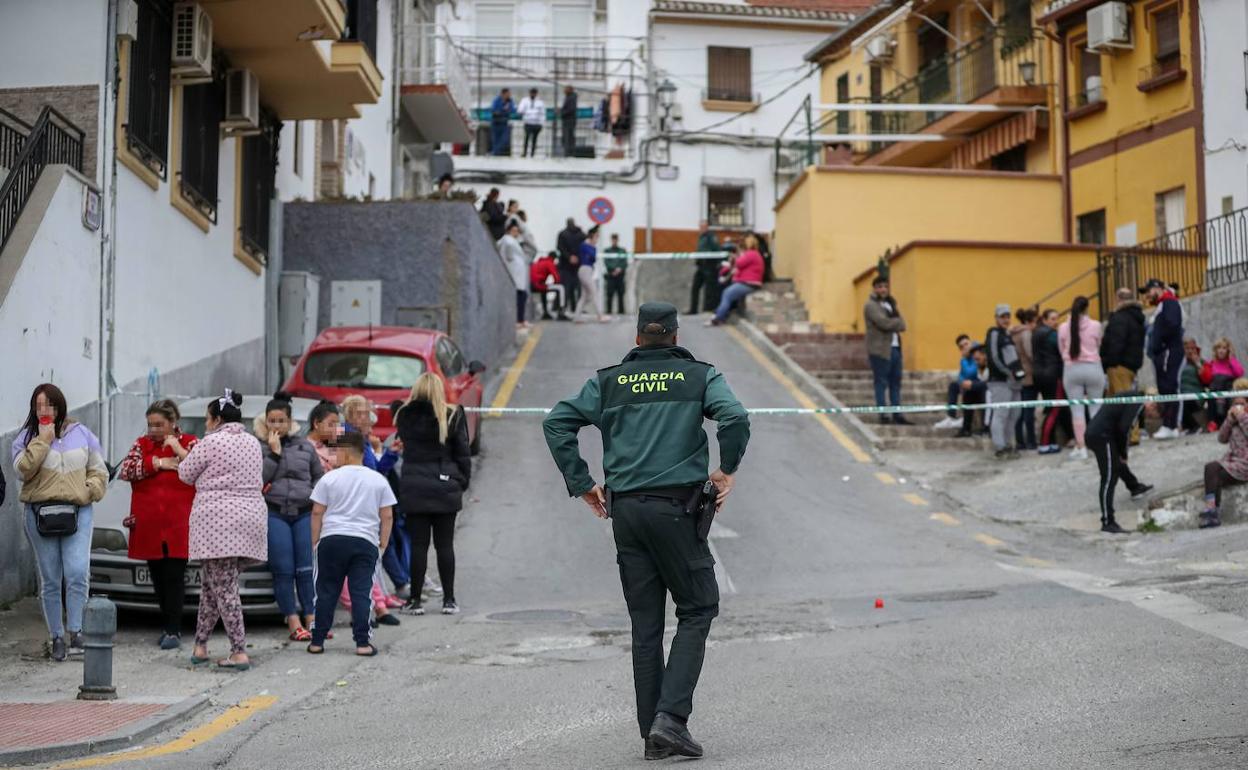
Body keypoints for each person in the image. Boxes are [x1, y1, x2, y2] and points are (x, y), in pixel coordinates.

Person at [543, 303, 750, 760]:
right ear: (675, 336)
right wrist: (727, 470)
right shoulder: (700, 376)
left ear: (637, 339)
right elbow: (734, 418)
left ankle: (652, 735)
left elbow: (557, 421)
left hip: (626, 514)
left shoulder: (609, 381)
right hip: (676, 509)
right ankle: (671, 720)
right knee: (698, 607)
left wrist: (582, 483)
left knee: (646, 625)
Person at [12, 384, 108, 662]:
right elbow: (22, 471)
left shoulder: (82, 433)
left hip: (77, 512)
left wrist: (89, 491)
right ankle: (56, 636)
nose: (44, 410)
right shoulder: (25, 437)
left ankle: (76, 631)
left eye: (50, 405)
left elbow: (99, 470)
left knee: (77, 571)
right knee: (51, 579)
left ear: (60, 406)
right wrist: (42, 439)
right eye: (39, 405)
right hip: (40, 515)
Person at [179, 390, 266, 671]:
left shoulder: (210, 442)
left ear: (216, 419)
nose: (206, 424)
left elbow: (185, 474)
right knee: (212, 586)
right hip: (250, 520)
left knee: (224, 588)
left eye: (207, 419)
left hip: (217, 524)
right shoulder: (253, 442)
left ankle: (239, 651)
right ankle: (200, 645)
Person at [307, 431, 395, 656]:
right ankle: (363, 643)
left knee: (325, 591)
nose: (333, 456)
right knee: (361, 592)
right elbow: (387, 516)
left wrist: (315, 540)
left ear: (346, 452)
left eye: (335, 451)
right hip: (365, 542)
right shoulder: (377, 480)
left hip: (332, 540)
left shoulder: (329, 478)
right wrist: (382, 544)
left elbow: (317, 512)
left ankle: (317, 641)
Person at [118, 399, 197, 649]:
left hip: (179, 523)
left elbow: (201, 469)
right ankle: (167, 625)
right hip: (150, 523)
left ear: (173, 423)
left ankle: (173, 630)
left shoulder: (190, 443)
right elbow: (126, 471)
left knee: (174, 575)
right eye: (150, 425)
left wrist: (177, 450)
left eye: (159, 425)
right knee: (158, 576)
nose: (153, 430)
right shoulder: (141, 445)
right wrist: (158, 463)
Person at [395, 373, 472, 616]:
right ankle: (449, 600)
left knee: (418, 545)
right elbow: (463, 454)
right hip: (445, 486)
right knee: (445, 545)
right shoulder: (452, 415)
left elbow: (396, 406)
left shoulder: (404, 416)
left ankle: (415, 600)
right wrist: (461, 481)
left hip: (414, 486)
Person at [255, 392, 325, 643]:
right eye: (271, 421)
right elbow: (258, 479)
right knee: (283, 569)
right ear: (265, 422)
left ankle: (312, 616)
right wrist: (274, 454)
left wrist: (316, 498)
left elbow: (318, 476)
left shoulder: (304, 445)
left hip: (304, 512)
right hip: (275, 513)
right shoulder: (258, 446)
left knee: (306, 568)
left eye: (281, 421)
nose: (276, 426)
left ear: (289, 421)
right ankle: (292, 619)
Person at [1085, 391, 1158, 533]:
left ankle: (1134, 486)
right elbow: (1124, 428)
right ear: (1152, 405)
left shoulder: (1133, 396)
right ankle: (1108, 521)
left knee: (1117, 463)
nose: (1149, 417)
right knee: (1109, 477)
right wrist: (1124, 452)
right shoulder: (1137, 402)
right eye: (1152, 414)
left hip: (1101, 433)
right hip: (1102, 435)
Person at [1058, 296, 1104, 460]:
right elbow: (1099, 345)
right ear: (1087, 308)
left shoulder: (1063, 327)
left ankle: (1081, 446)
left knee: (1076, 411)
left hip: (1072, 369)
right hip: (1093, 367)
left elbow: (1061, 348)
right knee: (1096, 409)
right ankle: (1098, 446)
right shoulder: (1096, 325)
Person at [1200, 379, 1248, 529]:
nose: (1238, 407)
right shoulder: (1233, 420)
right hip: (1234, 464)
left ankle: (1212, 511)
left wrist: (1242, 417)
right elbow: (1221, 438)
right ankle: (1211, 511)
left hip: (1246, 464)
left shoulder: (1244, 418)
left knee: (1213, 468)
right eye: (1235, 403)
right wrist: (1229, 420)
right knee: (1212, 472)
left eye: (1242, 403)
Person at [863, 276, 910, 426]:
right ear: (874, 289)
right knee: (881, 382)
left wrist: (894, 323)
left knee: (895, 382)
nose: (883, 289)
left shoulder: (891, 304)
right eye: (879, 287)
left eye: (885, 286)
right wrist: (895, 323)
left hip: (895, 348)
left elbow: (903, 325)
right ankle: (883, 413)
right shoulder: (871, 306)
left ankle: (897, 413)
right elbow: (883, 323)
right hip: (880, 349)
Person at [1144, 278, 1185, 439]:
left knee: (1169, 386)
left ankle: (1170, 425)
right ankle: (1170, 425)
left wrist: (1160, 343)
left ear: (1158, 288)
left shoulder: (1169, 303)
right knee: (1165, 386)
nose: (1147, 295)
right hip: (1164, 351)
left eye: (1149, 291)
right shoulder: (1163, 304)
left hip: (1169, 351)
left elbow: (1173, 325)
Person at [985, 304, 1026, 459]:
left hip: (1014, 381)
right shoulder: (994, 332)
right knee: (1001, 414)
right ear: (996, 318)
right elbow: (994, 356)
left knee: (1014, 414)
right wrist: (1008, 373)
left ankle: (1009, 444)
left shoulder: (1007, 334)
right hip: (1000, 381)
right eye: (1002, 316)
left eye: (1008, 316)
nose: (1006, 319)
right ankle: (1000, 447)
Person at [1033, 308, 1072, 454]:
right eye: (1053, 319)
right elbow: (1063, 349)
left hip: (1041, 375)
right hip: (1052, 374)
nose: (1056, 322)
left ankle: (1050, 442)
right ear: (1045, 320)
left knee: (1051, 408)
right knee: (1054, 409)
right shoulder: (1051, 334)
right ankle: (1044, 443)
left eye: (1057, 318)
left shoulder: (1037, 333)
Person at [707, 235, 765, 328]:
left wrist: (735, 257)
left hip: (748, 283)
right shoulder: (754, 253)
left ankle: (718, 318)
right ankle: (719, 314)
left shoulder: (751, 254)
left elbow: (738, 263)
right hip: (748, 282)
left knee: (727, 294)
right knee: (728, 293)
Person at [1199, 338, 1245, 428]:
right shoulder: (1212, 363)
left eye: (1224, 348)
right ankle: (1212, 423)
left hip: (1228, 390)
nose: (1221, 351)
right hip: (1215, 391)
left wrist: (1231, 358)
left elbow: (1239, 373)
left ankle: (1228, 421)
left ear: (1228, 350)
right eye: (1219, 348)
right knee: (1210, 396)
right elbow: (1206, 379)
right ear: (1215, 350)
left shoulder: (1231, 362)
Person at [1011, 308, 1039, 450]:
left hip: (1017, 374)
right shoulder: (1026, 333)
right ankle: (1031, 441)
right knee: (1028, 410)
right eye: (1035, 322)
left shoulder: (1013, 333)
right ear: (1029, 321)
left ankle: (1019, 441)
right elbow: (1030, 353)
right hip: (1028, 374)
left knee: (1019, 410)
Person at [935, 335, 977, 430]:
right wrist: (964, 360)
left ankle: (966, 420)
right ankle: (951, 417)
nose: (965, 347)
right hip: (968, 384)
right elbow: (961, 375)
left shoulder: (978, 353)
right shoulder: (964, 359)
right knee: (953, 386)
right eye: (961, 347)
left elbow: (972, 372)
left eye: (966, 344)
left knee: (967, 388)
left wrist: (965, 359)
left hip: (979, 384)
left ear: (971, 343)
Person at [499, 220, 531, 330]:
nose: (516, 233)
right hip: (514, 272)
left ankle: (521, 319)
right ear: (508, 231)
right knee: (520, 297)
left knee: (522, 296)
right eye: (514, 230)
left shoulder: (512, 241)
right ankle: (519, 320)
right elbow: (507, 256)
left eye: (517, 231)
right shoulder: (507, 241)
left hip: (518, 272)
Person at [955, 345, 991, 438]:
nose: (976, 362)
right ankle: (966, 428)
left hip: (992, 394)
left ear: (985, 355)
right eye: (974, 359)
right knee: (968, 394)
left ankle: (986, 427)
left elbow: (989, 383)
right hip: (982, 392)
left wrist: (972, 384)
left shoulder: (991, 366)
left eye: (978, 359)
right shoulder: (979, 367)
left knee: (984, 393)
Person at [688, 221, 722, 315]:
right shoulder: (701, 237)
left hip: (709, 266)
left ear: (707, 227)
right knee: (695, 287)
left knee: (709, 289)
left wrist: (716, 264)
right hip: (701, 266)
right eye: (700, 227)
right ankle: (693, 309)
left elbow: (717, 250)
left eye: (703, 227)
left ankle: (707, 309)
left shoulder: (711, 237)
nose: (701, 228)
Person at [575, 227, 608, 323]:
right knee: (594, 292)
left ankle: (577, 316)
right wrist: (593, 246)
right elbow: (592, 257)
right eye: (596, 237)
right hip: (585, 270)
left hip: (587, 270)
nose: (597, 239)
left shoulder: (590, 246)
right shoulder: (585, 245)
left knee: (584, 296)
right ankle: (600, 315)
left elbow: (593, 258)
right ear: (592, 236)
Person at [1180, 338, 1211, 433]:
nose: (1190, 351)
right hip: (1181, 393)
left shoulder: (1202, 362)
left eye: (1192, 348)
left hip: (1196, 396)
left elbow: (1208, 380)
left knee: (1185, 401)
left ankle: (1195, 426)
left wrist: (1198, 365)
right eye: (1187, 348)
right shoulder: (1178, 363)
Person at [557, 217, 586, 311]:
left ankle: (563, 308)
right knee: (578, 288)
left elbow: (560, 248)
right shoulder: (581, 234)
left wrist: (569, 257)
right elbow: (584, 247)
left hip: (565, 266)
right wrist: (577, 257)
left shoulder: (562, 234)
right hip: (578, 265)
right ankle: (578, 308)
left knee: (566, 288)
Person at [306, 400, 342, 474]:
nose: (335, 428)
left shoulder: (335, 446)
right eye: (331, 424)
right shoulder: (303, 447)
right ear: (316, 423)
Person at [531, 251, 569, 321]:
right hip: (539, 284)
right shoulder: (549, 262)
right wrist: (556, 283)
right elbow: (556, 277)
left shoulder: (538, 262)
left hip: (531, 285)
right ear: (554, 258)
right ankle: (561, 312)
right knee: (561, 288)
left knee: (544, 291)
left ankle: (545, 313)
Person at [603, 233, 629, 315]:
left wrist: (619, 269)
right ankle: (609, 312)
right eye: (613, 239)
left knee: (621, 294)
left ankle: (621, 312)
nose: (614, 241)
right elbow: (606, 262)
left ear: (617, 240)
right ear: (611, 240)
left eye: (615, 239)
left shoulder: (622, 251)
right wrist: (614, 269)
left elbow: (624, 262)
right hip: (611, 276)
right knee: (609, 295)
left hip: (620, 276)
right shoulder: (607, 251)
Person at [517, 88, 545, 157]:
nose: (533, 94)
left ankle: (532, 153)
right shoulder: (524, 101)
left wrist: (541, 123)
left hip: (536, 123)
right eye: (531, 93)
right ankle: (524, 153)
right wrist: (528, 113)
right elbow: (520, 110)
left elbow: (543, 113)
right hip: (528, 122)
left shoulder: (540, 102)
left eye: (534, 93)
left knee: (534, 139)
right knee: (526, 138)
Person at [489, 88, 515, 156]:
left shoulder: (510, 101)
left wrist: (504, 110)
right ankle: (495, 153)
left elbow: (512, 110)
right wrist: (503, 110)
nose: (509, 95)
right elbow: (494, 110)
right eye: (508, 94)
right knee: (495, 139)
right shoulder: (497, 100)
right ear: (503, 94)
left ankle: (494, 152)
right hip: (496, 122)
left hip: (504, 123)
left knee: (504, 140)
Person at [560, 84, 578, 156]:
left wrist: (562, 113)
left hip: (569, 120)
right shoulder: (568, 97)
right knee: (566, 136)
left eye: (566, 89)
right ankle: (568, 151)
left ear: (570, 90)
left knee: (568, 136)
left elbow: (571, 109)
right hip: (567, 120)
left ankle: (569, 152)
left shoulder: (572, 98)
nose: (564, 90)